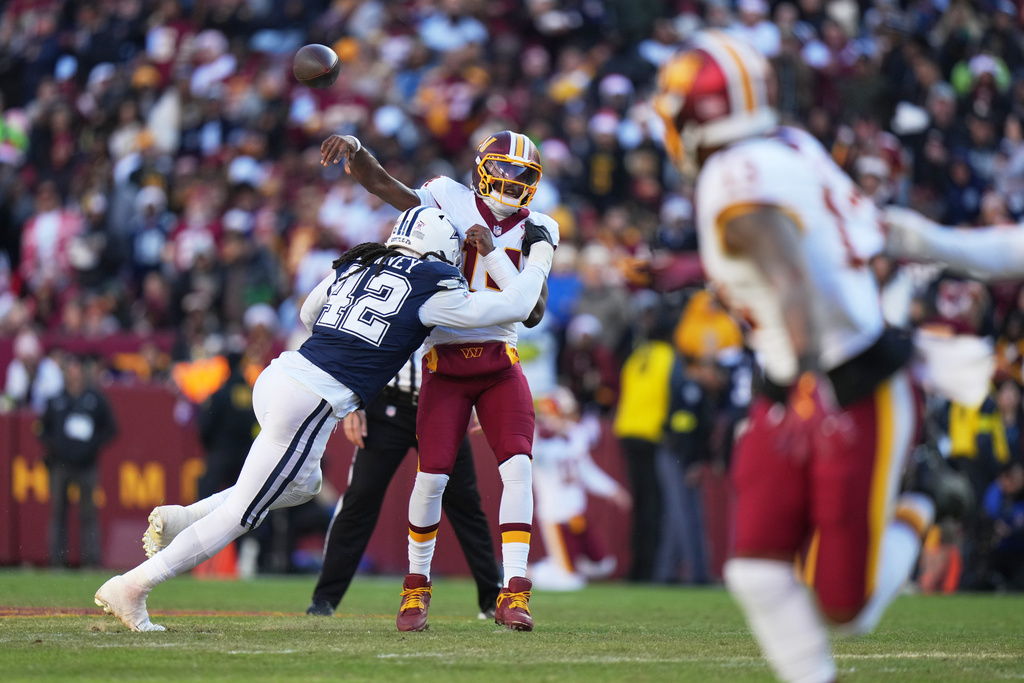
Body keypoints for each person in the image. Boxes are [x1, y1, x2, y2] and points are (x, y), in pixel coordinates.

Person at [94, 206, 555, 632]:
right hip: (312, 398)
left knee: (301, 485)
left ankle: (183, 517)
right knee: (245, 513)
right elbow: (516, 308)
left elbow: (308, 312)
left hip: (281, 375)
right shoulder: (433, 281)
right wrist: (537, 258)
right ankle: (134, 586)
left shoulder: (358, 262)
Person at [656, 31, 936, 683]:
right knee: (754, 568)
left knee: (846, 605)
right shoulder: (790, 145)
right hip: (790, 374)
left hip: (839, 377)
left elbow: (788, 277)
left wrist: (809, 382)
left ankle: (926, 507)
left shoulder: (730, 176)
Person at [320, 129, 559, 631]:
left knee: (518, 470)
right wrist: (359, 151)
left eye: (524, 175)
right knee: (431, 479)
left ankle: (514, 593)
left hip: (499, 359)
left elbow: (533, 312)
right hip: (443, 363)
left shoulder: (539, 226)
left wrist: (493, 253)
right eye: (507, 170)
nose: (514, 181)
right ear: (483, 167)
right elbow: (387, 188)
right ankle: (415, 591)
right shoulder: (447, 196)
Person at [306, 347, 502, 619]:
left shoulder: (456, 302)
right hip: (387, 405)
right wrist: (352, 402)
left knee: (464, 502)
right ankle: (325, 599)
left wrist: (483, 395)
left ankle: (491, 598)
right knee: (360, 499)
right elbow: (360, 344)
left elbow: (473, 340)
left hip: (443, 403)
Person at [529, 386, 631, 591]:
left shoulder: (576, 435)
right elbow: (528, 454)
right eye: (565, 413)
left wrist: (612, 490)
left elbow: (586, 470)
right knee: (570, 583)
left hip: (579, 513)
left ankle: (562, 566)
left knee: (604, 565)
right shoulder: (537, 441)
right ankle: (528, 573)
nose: (570, 418)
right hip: (556, 517)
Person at [39, 354, 118, 568]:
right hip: (61, 464)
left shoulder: (95, 399)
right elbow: (42, 430)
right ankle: (56, 560)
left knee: (89, 513)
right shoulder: (56, 400)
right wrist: (54, 446)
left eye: (77, 372)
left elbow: (111, 428)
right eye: (70, 372)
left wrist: (93, 445)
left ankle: (90, 561)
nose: (74, 377)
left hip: (86, 464)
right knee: (58, 512)